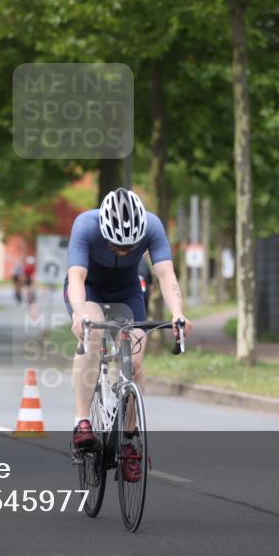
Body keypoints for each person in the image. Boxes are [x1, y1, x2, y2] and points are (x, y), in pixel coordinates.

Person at [64, 188, 190, 482]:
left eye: (129, 247)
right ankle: (82, 421)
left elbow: (166, 275)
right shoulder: (85, 224)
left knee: (135, 361)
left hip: (128, 293)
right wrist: (79, 313)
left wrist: (178, 313)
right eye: (114, 246)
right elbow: (76, 278)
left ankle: (130, 441)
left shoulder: (153, 225)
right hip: (89, 291)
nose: (122, 251)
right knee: (92, 334)